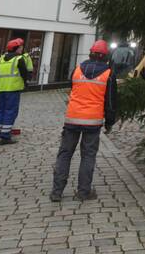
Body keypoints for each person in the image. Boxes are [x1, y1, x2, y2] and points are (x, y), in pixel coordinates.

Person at [50, 40, 118, 202]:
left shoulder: (77, 69)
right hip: (92, 121)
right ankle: (83, 192)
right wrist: (109, 122)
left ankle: (56, 192)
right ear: (106, 56)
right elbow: (110, 102)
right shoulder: (108, 74)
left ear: (90, 53)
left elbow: (71, 90)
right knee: (88, 156)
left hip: (72, 119)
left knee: (64, 154)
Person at [0, 38, 32, 144]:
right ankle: (5, 136)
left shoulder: (2, 58)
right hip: (13, 89)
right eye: (20, 47)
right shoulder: (19, 59)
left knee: (0, 112)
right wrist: (26, 82)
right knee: (10, 112)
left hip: (1, 89)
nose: (22, 49)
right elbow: (25, 74)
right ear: (16, 49)